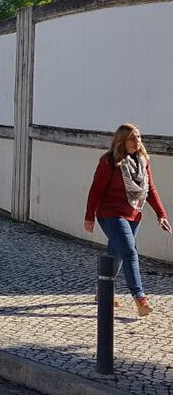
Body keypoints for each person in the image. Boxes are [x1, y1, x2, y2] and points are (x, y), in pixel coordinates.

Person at [85, 124, 171, 317]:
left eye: (139, 137)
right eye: (133, 138)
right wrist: (89, 216)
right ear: (122, 141)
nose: (138, 141)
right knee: (130, 251)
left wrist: (161, 215)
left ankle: (103, 291)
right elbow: (95, 190)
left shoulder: (142, 161)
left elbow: (150, 190)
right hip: (110, 214)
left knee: (118, 253)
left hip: (133, 214)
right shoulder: (109, 162)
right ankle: (139, 297)